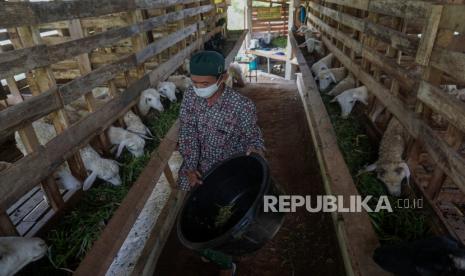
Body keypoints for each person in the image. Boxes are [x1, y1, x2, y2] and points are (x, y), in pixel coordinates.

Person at [177, 51, 266, 276]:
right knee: (199, 218)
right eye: (194, 82)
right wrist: (189, 167)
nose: (199, 88)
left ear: (223, 77)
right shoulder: (189, 97)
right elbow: (187, 131)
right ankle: (212, 252)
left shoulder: (241, 106)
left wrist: (256, 148)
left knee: (226, 220)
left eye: (204, 83)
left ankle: (226, 262)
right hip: (198, 169)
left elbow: (252, 136)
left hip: (228, 172)